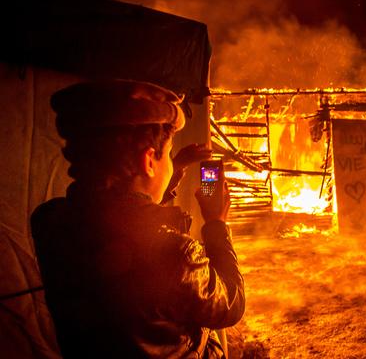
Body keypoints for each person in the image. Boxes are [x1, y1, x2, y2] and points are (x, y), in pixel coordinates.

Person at [30, 80, 244, 358]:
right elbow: (230, 305)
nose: (170, 163)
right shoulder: (175, 254)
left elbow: (119, 216)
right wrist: (216, 224)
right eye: (166, 155)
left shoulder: (49, 220)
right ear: (149, 160)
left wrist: (171, 169)